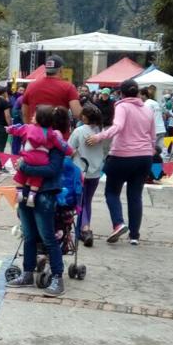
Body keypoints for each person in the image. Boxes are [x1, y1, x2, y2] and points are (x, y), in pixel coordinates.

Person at [86, 79, 155, 245]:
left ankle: (118, 223)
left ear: (121, 93)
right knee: (135, 195)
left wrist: (98, 137)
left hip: (122, 156)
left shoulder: (122, 106)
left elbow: (118, 126)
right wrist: (149, 152)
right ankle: (134, 235)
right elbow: (152, 136)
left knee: (112, 192)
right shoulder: (147, 109)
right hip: (144, 157)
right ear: (138, 93)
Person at [5, 133, 68, 297]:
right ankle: (27, 273)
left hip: (44, 195)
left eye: (36, 117)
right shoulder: (32, 137)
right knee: (29, 236)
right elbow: (24, 158)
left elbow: (51, 169)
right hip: (26, 193)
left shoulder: (55, 143)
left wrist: (24, 167)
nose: (32, 120)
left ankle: (57, 277)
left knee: (48, 237)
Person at [7, 105, 74, 207]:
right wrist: (71, 151)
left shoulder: (29, 128)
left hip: (29, 162)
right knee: (37, 178)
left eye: (34, 115)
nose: (31, 117)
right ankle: (32, 196)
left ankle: (19, 192)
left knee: (21, 175)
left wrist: (9, 129)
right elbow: (63, 147)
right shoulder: (52, 135)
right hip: (42, 162)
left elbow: (17, 129)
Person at [69, 104, 105, 247]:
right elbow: (107, 150)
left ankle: (85, 229)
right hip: (95, 172)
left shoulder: (79, 131)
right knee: (87, 201)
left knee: (79, 202)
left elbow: (69, 148)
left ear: (85, 116)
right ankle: (81, 231)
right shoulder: (102, 133)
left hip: (80, 171)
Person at [20, 55, 82, 134]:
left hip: (35, 135)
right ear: (61, 69)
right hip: (58, 136)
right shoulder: (68, 87)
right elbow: (77, 113)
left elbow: (25, 112)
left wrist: (29, 129)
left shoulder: (31, 85)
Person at [9, 84, 26, 155]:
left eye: (23, 90)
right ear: (17, 90)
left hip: (18, 120)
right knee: (17, 138)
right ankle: (15, 154)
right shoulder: (16, 98)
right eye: (20, 90)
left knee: (19, 138)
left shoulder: (20, 98)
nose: (21, 92)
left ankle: (17, 154)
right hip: (17, 120)